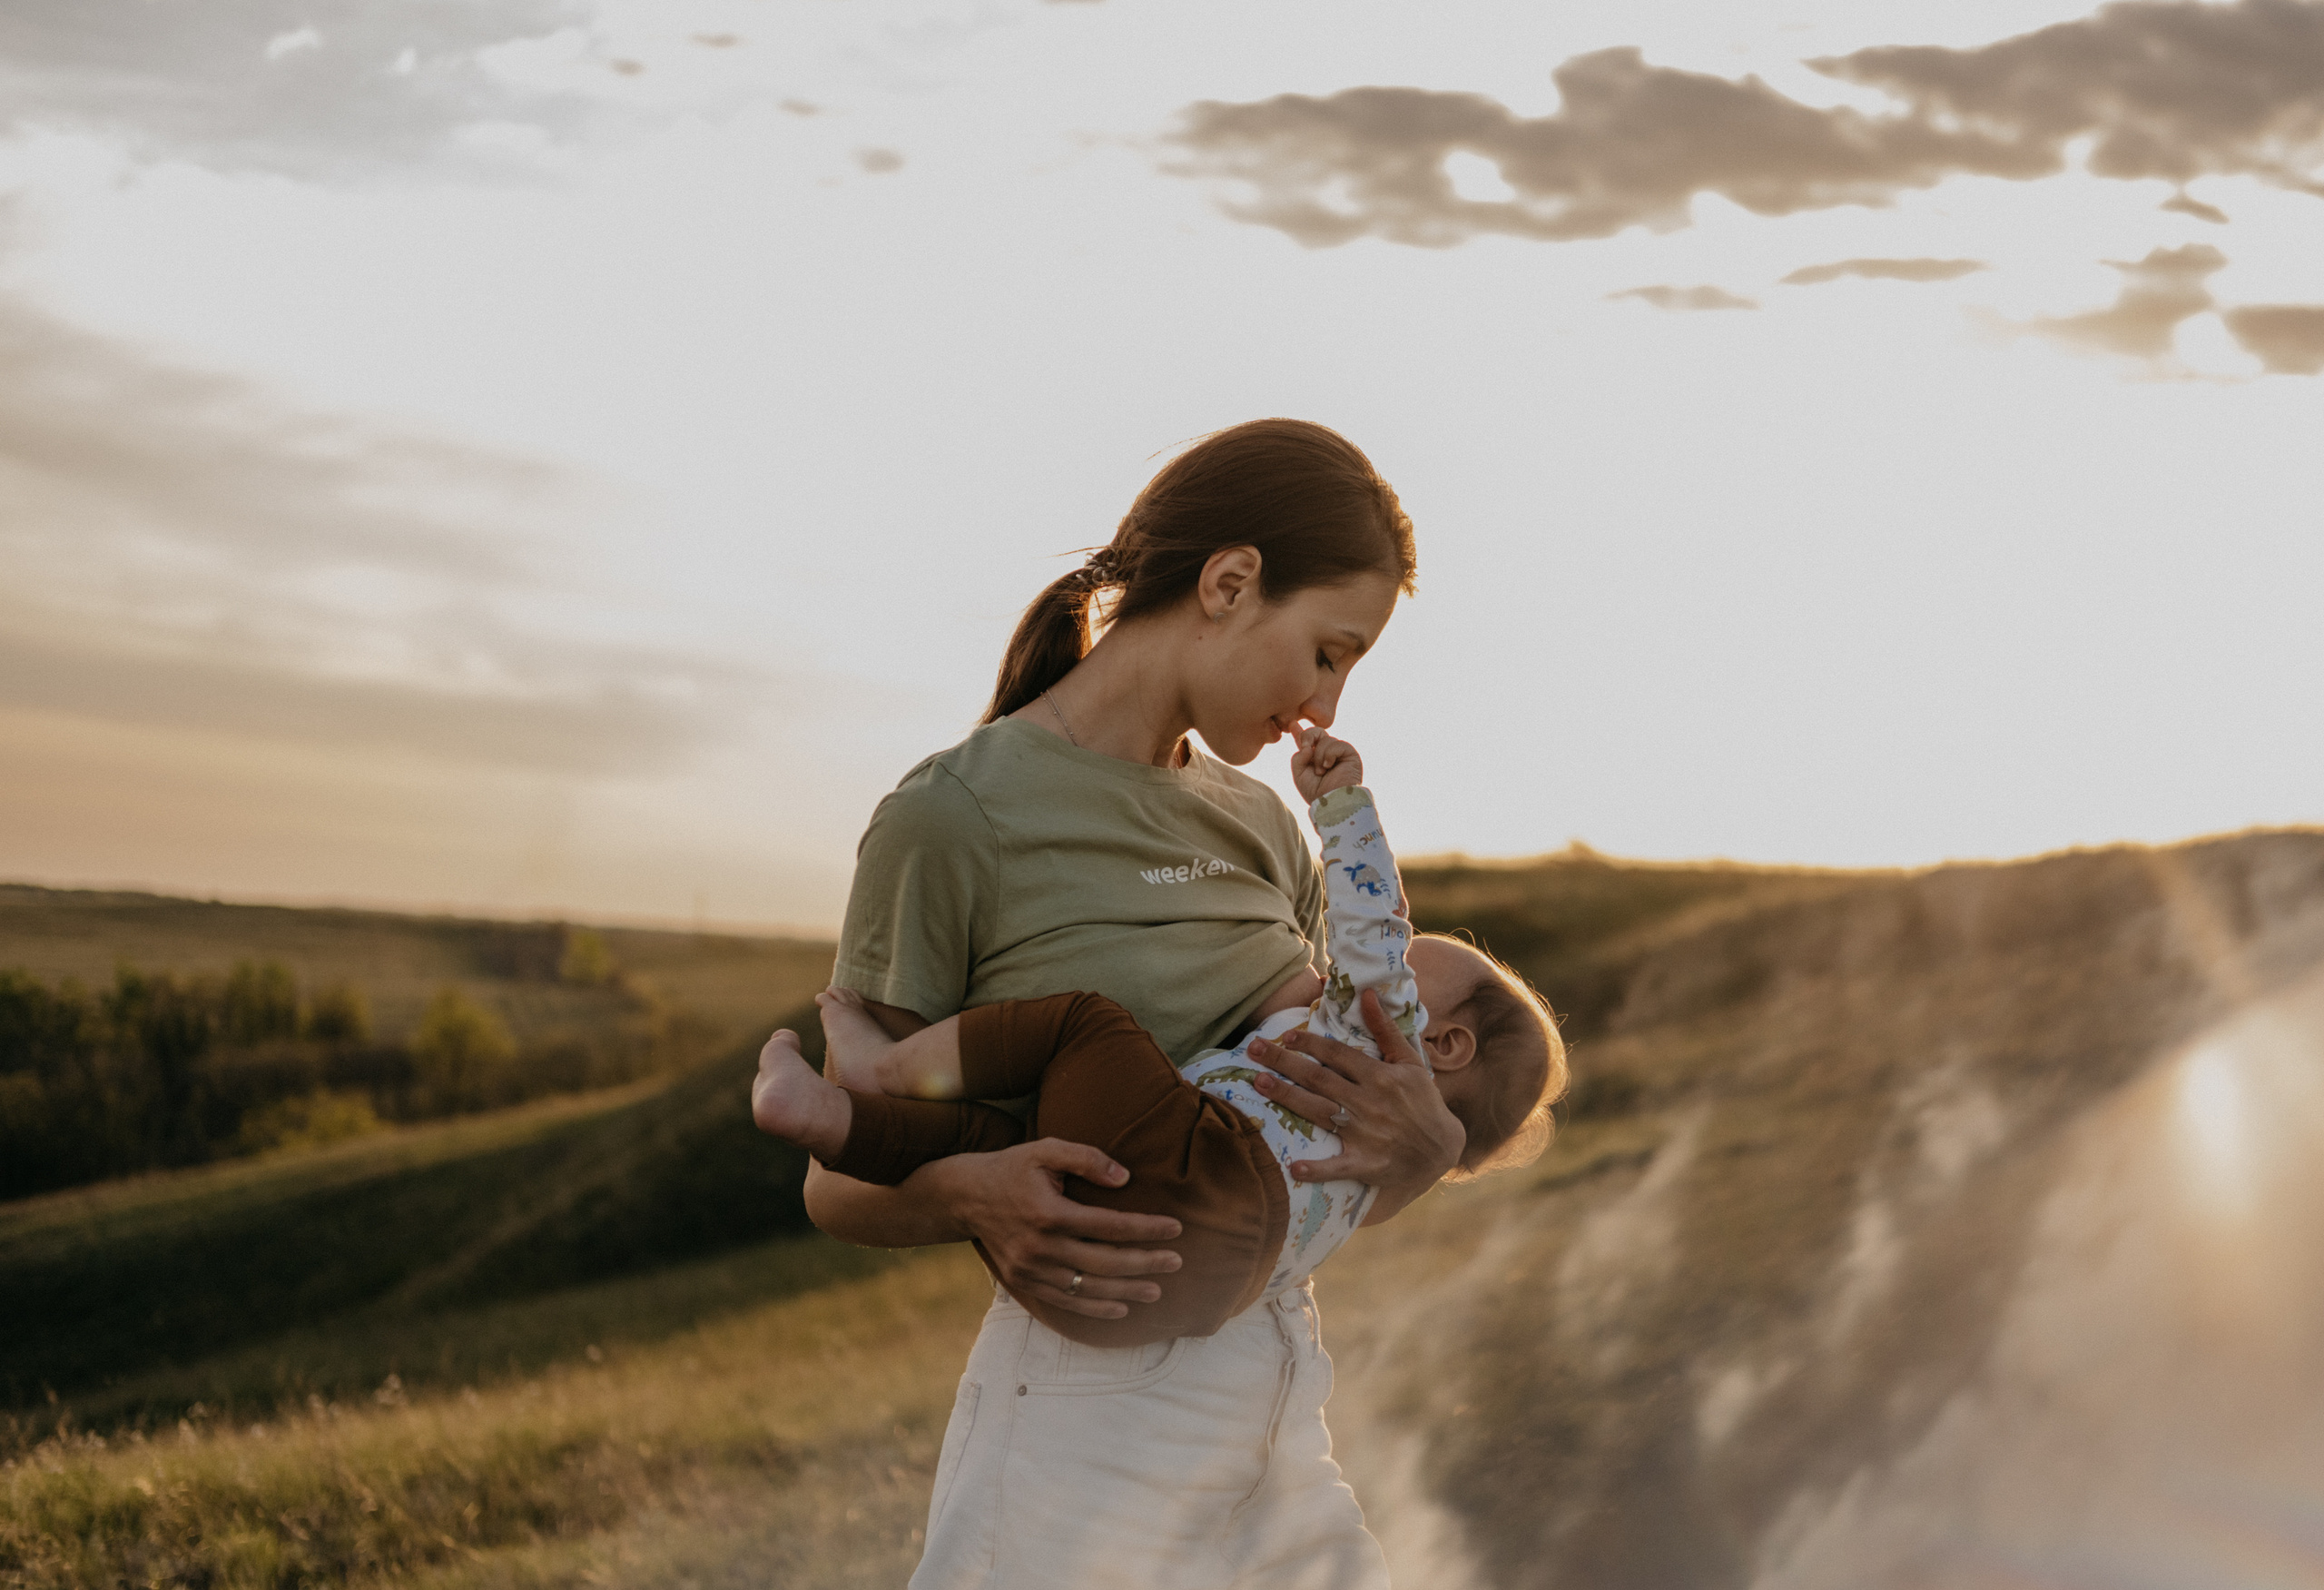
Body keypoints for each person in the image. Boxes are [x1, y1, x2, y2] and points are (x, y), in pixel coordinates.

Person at [796, 418, 1466, 1589]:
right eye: (1326, 649)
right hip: (1080, 1412)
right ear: (1228, 581)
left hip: (1272, 1387)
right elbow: (836, 1168)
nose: (1327, 698)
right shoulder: (954, 819)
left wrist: (1425, 1144)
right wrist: (978, 1193)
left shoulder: (1264, 829)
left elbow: (1292, 1141)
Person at [752, 724, 1564, 1349]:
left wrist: (1343, 803)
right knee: (1004, 1140)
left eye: (1422, 960)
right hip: (1146, 1295)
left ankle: (882, 1073)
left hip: (1174, 1199)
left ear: (1446, 1043)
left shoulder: (1376, 1028)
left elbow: (1373, 918)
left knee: (1083, 1024)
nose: (1337, 973)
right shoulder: (1373, 1175)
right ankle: (830, 1118)